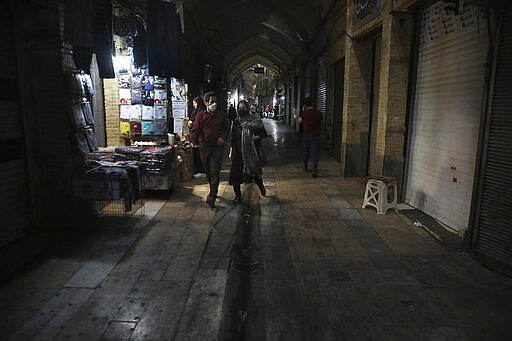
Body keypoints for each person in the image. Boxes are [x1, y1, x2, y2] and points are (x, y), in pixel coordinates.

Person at [190, 92, 229, 208]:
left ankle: (212, 196)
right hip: (204, 147)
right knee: (207, 171)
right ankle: (213, 189)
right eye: (212, 102)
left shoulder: (221, 115)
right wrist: (193, 141)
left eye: (216, 102)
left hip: (217, 147)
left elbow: (226, 129)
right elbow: (195, 130)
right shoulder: (200, 116)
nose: (214, 104)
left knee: (214, 172)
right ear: (206, 102)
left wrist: (223, 137)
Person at [229, 100, 268, 204]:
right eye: (240, 108)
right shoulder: (236, 122)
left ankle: (260, 186)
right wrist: (231, 149)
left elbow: (264, 133)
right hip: (238, 153)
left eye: (243, 107)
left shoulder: (254, 121)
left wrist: (257, 137)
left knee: (254, 173)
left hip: (251, 153)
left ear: (247, 108)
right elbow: (233, 137)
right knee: (235, 175)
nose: (241, 109)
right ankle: (238, 196)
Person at [298, 97, 323, 178]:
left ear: (305, 105)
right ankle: (314, 170)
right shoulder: (318, 112)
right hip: (315, 136)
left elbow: (299, 121)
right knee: (315, 154)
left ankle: (305, 167)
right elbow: (321, 120)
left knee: (306, 152)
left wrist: (303, 111)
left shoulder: (305, 113)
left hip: (306, 136)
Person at [188, 96, 206, 177]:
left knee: (199, 154)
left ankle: (201, 170)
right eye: (193, 103)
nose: (194, 105)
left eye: (195, 103)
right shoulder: (195, 111)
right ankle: (199, 170)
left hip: (200, 137)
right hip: (195, 136)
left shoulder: (202, 112)